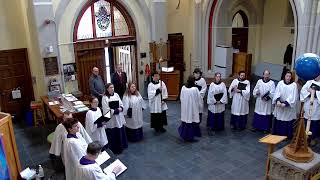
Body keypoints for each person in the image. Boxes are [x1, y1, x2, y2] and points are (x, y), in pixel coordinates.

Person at [102, 83, 128, 154]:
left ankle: (121, 146)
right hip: (112, 119)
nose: (112, 89)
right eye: (110, 87)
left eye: (113, 87)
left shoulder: (116, 95)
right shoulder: (105, 98)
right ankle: (115, 149)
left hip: (119, 117)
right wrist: (115, 110)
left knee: (120, 130)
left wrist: (121, 108)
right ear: (107, 89)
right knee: (113, 133)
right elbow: (106, 109)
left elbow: (121, 104)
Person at [272, 71, 298, 139]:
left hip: (287, 107)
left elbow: (293, 96)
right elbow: (277, 92)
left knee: (287, 121)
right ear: (284, 76)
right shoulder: (280, 83)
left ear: (291, 77)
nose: (288, 78)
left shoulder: (294, 85)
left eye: (289, 76)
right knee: (279, 119)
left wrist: (286, 103)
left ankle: (286, 136)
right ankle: (277, 134)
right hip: (279, 105)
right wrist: (277, 101)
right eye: (287, 76)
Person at [178, 75, 202, 141]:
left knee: (186, 121)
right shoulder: (195, 89)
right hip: (193, 109)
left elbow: (181, 98)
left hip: (185, 109)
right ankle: (191, 135)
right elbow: (199, 99)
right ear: (194, 81)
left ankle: (184, 134)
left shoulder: (183, 87)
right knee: (192, 121)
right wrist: (200, 107)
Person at [300, 75, 320, 143]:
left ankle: (312, 139)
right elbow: (303, 91)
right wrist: (309, 92)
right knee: (306, 123)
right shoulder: (309, 82)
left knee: (314, 124)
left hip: (316, 107)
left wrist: (314, 92)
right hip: (308, 104)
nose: (316, 76)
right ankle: (304, 139)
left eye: (318, 75)